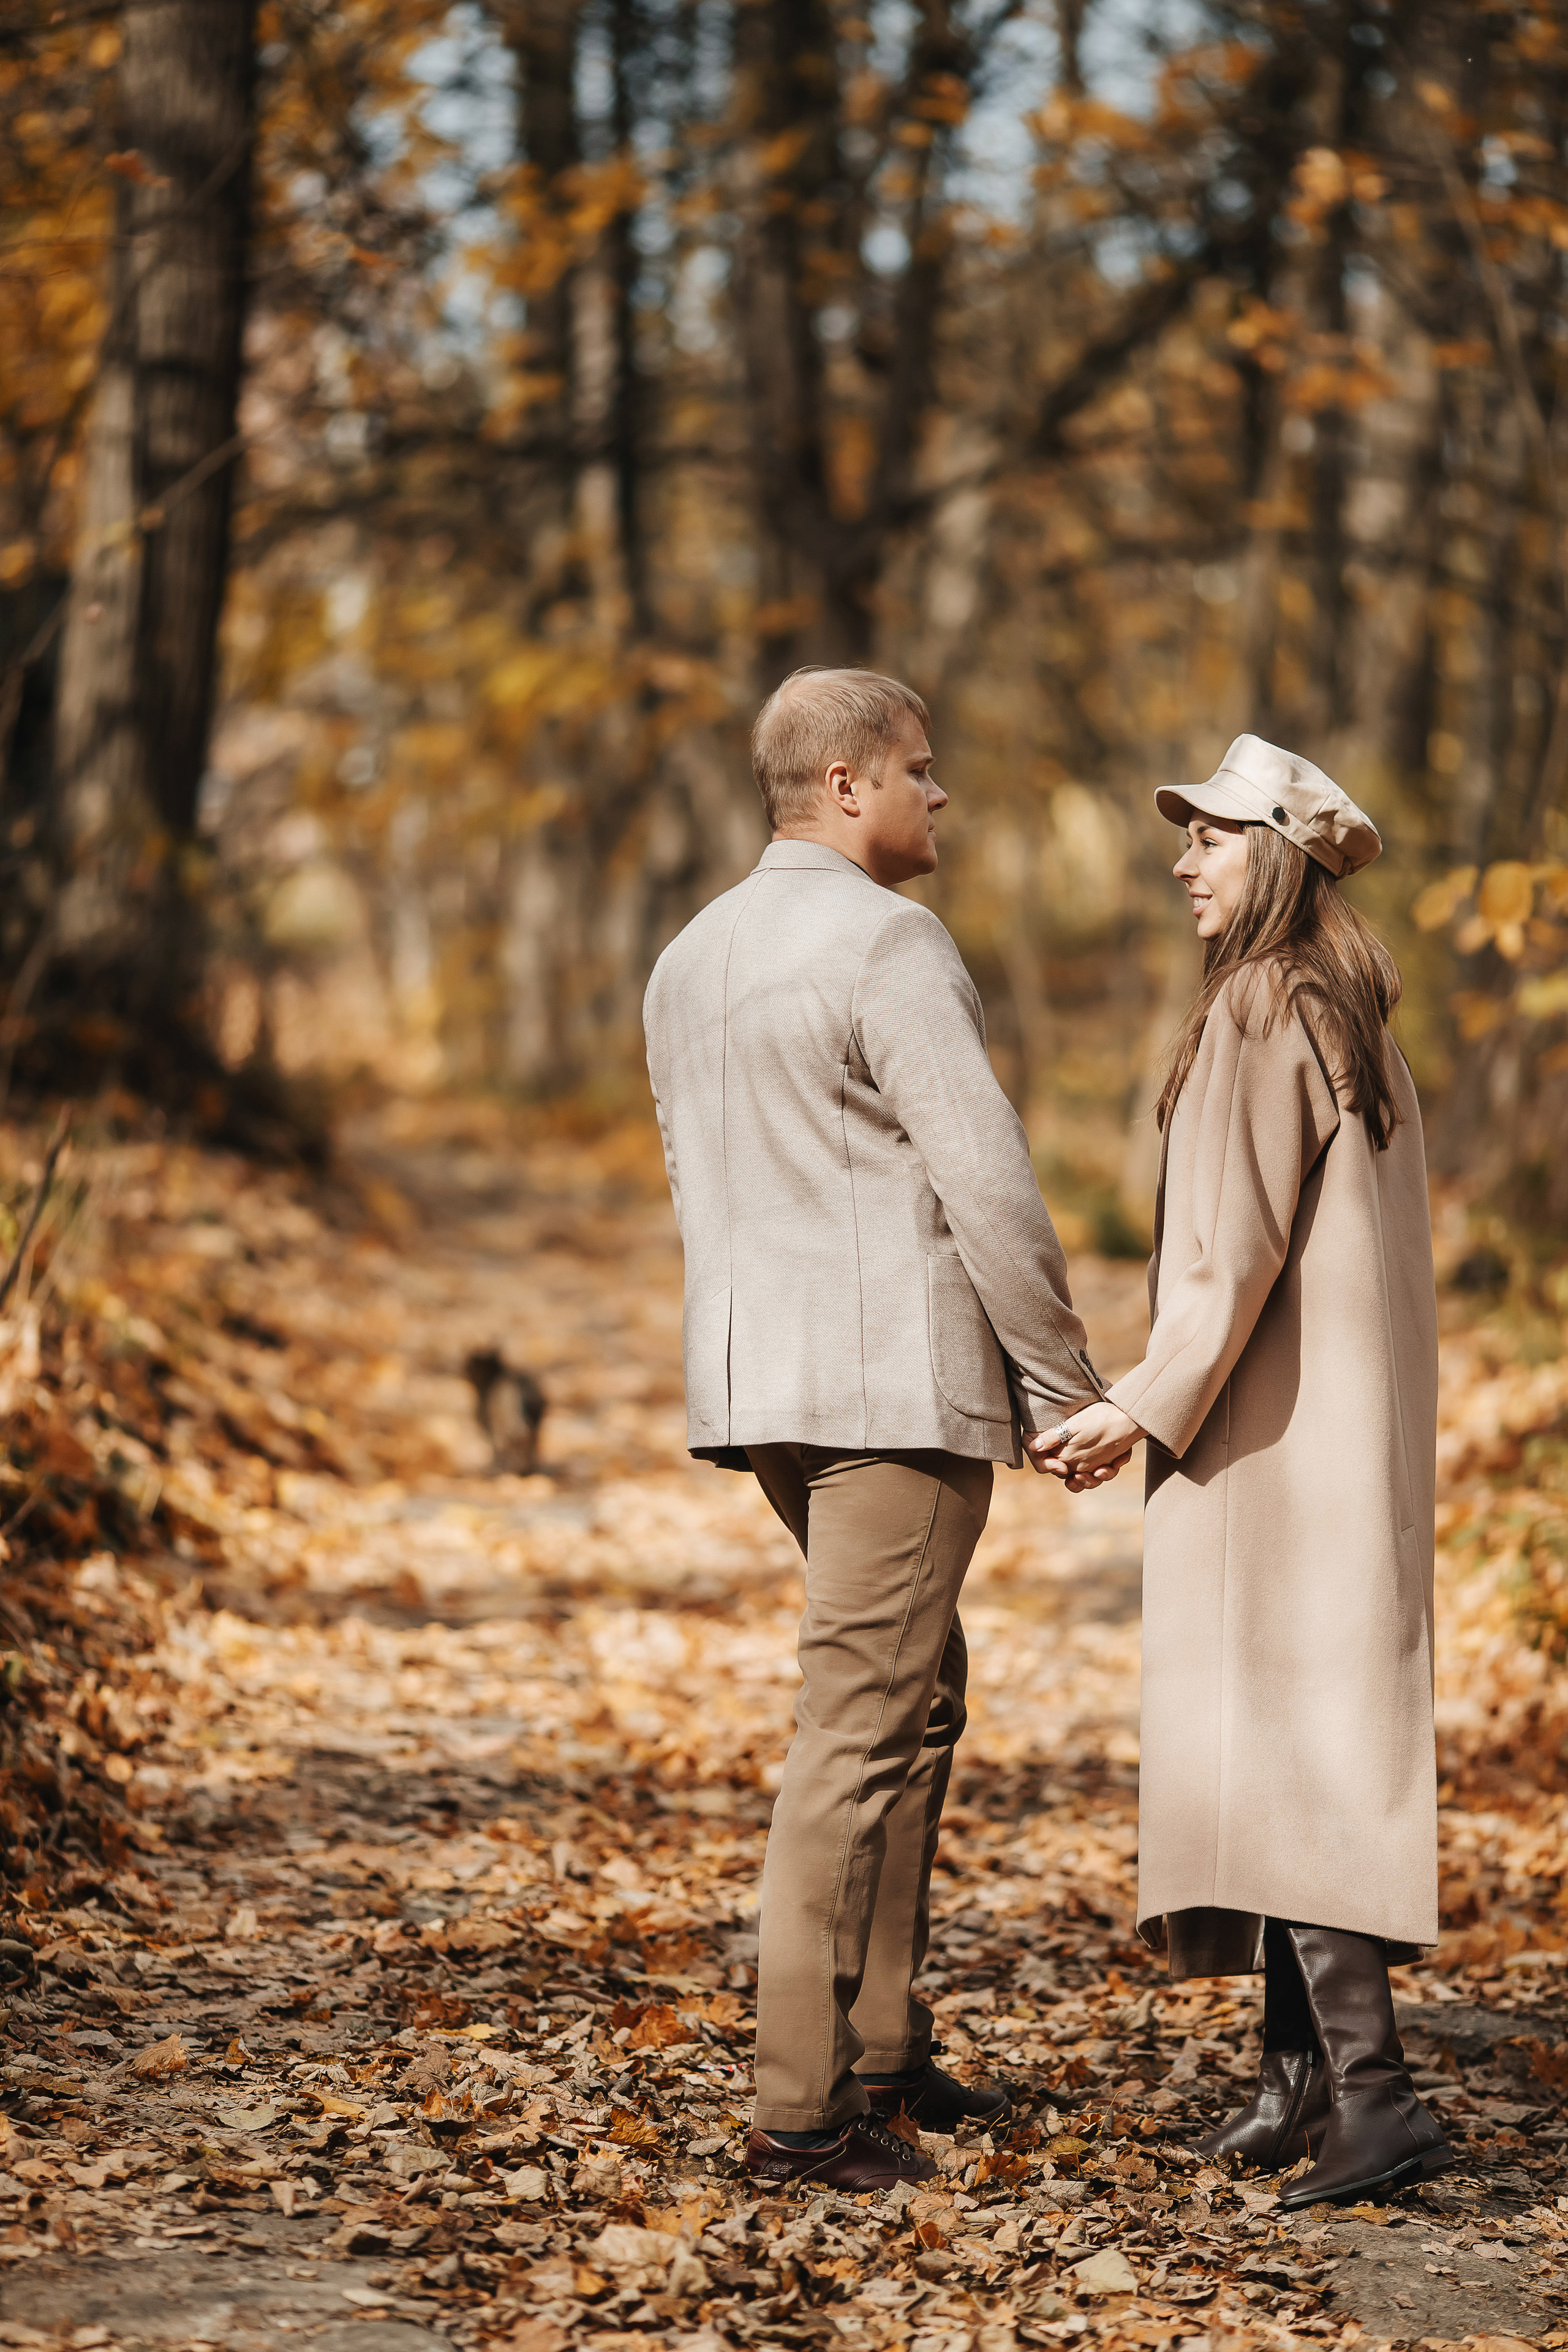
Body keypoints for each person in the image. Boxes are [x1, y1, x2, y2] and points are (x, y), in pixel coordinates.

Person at [644, 668, 1120, 2193]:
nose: (940, 797)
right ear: (844, 783)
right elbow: (984, 1177)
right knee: (855, 1727)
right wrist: (1060, 1380)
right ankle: (801, 2112)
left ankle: (883, 2047)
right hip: (885, 1398)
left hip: (762, 1392)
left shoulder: (690, 952)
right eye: (920, 769)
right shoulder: (888, 941)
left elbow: (692, 1177)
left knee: (912, 1696)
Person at [1035, 734, 1450, 2209]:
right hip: (1341, 1435)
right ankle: (1295, 2079)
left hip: (1267, 1437)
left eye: (1206, 835)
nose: (1179, 860)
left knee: (1284, 1741)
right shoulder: (1351, 1008)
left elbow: (1224, 1257)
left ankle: (1375, 2095)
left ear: (1270, 848)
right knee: (1302, 1724)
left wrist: (1134, 1409)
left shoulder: (1263, 1004)